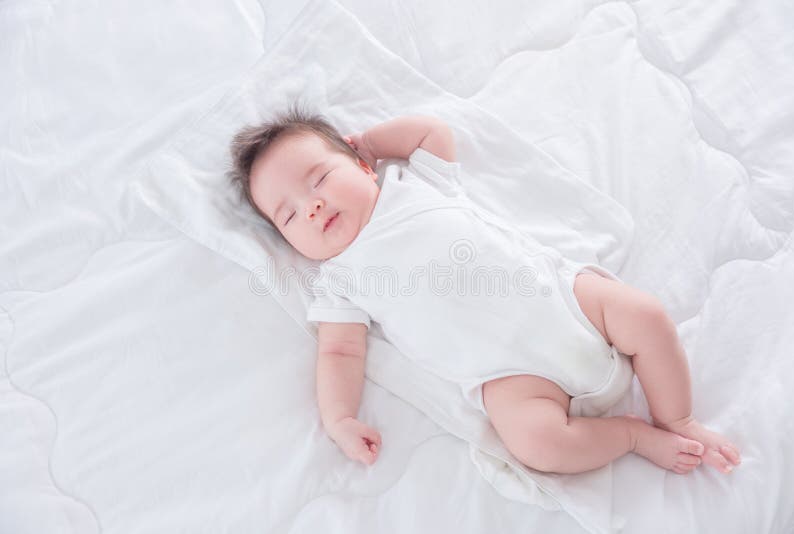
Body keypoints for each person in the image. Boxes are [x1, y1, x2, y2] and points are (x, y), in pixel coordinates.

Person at [227, 103, 741, 475]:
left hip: (562, 300)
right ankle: (632, 435)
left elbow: (433, 133)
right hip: (510, 376)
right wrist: (339, 417)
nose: (311, 206)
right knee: (538, 446)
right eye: (289, 213)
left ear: (363, 166)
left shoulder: (413, 188)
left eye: (319, 179)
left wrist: (376, 142)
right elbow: (338, 351)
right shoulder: (339, 280)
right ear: (289, 239)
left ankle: (679, 417)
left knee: (645, 316)